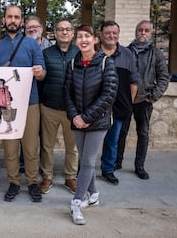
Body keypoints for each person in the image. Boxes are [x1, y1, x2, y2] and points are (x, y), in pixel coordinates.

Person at [0, 5, 46, 203]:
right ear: (3, 20)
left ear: (21, 21)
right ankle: (13, 182)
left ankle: (32, 182)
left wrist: (39, 72)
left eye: (17, 17)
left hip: (30, 102)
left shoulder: (32, 45)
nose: (13, 20)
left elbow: (43, 72)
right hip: (6, 104)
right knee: (10, 147)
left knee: (30, 147)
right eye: (9, 17)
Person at [64, 25, 118, 225]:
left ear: (95, 39)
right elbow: (67, 93)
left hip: (98, 121)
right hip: (77, 120)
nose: (83, 39)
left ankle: (76, 202)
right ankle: (93, 194)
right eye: (79, 37)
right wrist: (75, 116)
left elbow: (109, 94)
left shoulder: (106, 63)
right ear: (75, 41)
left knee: (86, 162)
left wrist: (86, 117)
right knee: (86, 160)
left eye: (87, 36)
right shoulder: (72, 64)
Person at [116, 20, 169, 180]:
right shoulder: (125, 51)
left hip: (144, 101)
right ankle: (116, 162)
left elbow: (164, 78)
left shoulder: (156, 54)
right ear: (135, 32)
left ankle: (139, 166)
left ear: (151, 33)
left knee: (143, 133)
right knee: (120, 132)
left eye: (146, 30)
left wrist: (151, 96)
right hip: (126, 100)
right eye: (140, 30)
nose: (143, 33)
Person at [39, 19, 78, 194]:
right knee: (47, 145)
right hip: (50, 107)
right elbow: (40, 80)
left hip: (72, 110)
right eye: (60, 29)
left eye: (67, 29)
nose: (64, 32)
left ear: (72, 33)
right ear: (55, 33)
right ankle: (47, 177)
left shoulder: (79, 53)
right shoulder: (46, 53)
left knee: (72, 147)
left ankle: (70, 177)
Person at [98, 21, 139, 186]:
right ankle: (83, 167)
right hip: (95, 105)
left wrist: (129, 102)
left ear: (118, 34)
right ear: (101, 34)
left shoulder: (127, 54)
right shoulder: (92, 52)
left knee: (112, 139)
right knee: (88, 140)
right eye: (107, 33)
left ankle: (108, 169)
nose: (111, 36)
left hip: (119, 106)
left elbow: (134, 80)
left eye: (114, 33)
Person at [21, 15, 52, 174]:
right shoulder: (20, 47)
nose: (32, 30)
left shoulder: (51, 49)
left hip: (46, 98)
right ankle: (23, 163)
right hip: (26, 98)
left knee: (43, 135)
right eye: (29, 28)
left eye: (35, 27)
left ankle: (41, 166)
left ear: (42, 28)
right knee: (24, 132)